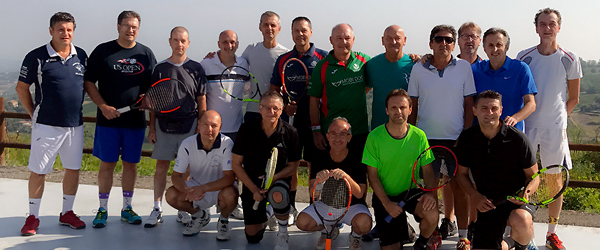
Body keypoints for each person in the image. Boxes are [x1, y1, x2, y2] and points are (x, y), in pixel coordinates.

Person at [17, 12, 88, 236]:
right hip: (46, 125)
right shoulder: (36, 56)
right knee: (39, 171)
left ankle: (67, 213)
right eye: (60, 29)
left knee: (73, 169)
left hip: (74, 126)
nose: (65, 33)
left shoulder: (82, 56)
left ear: (73, 31)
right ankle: (32, 217)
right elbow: (21, 88)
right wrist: (33, 114)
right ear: (51, 31)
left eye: (69, 29)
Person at [516, 8, 582, 250]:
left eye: (551, 23)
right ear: (536, 27)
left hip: (555, 130)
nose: (547, 28)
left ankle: (551, 233)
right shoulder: (524, 56)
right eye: (542, 24)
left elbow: (573, 98)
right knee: (525, 179)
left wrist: (558, 120)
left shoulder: (570, 58)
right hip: (527, 126)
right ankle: (522, 231)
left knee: (555, 181)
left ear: (559, 27)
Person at [84, 10, 156, 228]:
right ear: (118, 26)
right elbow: (89, 82)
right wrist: (103, 106)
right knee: (107, 164)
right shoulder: (103, 51)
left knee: (131, 165)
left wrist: (150, 117)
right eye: (127, 25)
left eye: (134, 26)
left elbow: (152, 90)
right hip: (108, 122)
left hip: (135, 122)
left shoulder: (146, 54)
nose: (130, 30)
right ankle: (103, 209)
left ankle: (127, 208)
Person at [407, 24, 476, 243]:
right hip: (426, 140)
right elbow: (413, 106)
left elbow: (469, 105)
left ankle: (463, 238)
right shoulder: (419, 68)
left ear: (454, 44)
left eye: (448, 40)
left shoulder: (464, 67)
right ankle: (432, 233)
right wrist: (411, 136)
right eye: (438, 39)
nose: (443, 43)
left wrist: (464, 136)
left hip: (456, 138)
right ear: (431, 43)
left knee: (459, 187)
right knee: (430, 189)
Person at [455, 90, 538, 250]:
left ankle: (525, 243)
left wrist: (525, 193)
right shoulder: (467, 138)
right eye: (484, 108)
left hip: (517, 200)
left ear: (501, 111)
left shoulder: (518, 139)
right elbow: (461, 175)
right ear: (475, 111)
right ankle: (511, 242)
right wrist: (475, 196)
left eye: (494, 108)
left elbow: (535, 177)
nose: (489, 113)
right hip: (488, 203)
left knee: (521, 219)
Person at [144, 26, 208, 228]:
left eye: (183, 41)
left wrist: (201, 124)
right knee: (161, 167)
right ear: (170, 41)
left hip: (190, 126)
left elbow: (202, 99)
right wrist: (152, 128)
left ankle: (183, 208)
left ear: (188, 43)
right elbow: (153, 101)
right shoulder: (160, 68)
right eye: (176, 40)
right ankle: (157, 208)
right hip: (164, 126)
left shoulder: (196, 68)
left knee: (185, 172)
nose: (179, 44)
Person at [269, 16, 328, 225]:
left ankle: (315, 205)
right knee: (291, 165)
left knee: (316, 167)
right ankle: (291, 206)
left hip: (316, 125)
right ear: (291, 33)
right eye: (296, 31)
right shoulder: (283, 59)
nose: (300, 34)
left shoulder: (323, 57)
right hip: (289, 124)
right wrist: (284, 105)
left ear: (310, 32)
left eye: (304, 30)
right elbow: (274, 91)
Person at [364, 89, 440, 250]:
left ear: (410, 110)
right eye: (393, 108)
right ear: (386, 110)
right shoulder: (374, 137)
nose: (398, 111)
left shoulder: (419, 136)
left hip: (411, 191)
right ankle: (406, 230)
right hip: (386, 196)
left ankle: (421, 242)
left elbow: (428, 170)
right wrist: (387, 203)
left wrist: (430, 194)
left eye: (403, 107)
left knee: (432, 213)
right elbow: (372, 176)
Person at [231, 90, 301, 250]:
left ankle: (283, 232)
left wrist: (273, 179)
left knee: (279, 194)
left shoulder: (291, 133)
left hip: (278, 182)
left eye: (276, 108)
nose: (271, 112)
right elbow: (236, 164)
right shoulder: (246, 129)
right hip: (252, 185)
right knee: (252, 237)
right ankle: (269, 214)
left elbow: (293, 166)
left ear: (282, 110)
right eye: (267, 108)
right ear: (260, 109)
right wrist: (254, 189)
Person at [296, 117, 372, 250]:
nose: (338, 138)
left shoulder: (358, 158)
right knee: (302, 222)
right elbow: (312, 192)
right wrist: (319, 182)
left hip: (352, 206)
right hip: (325, 205)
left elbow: (360, 193)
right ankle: (329, 229)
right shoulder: (319, 157)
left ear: (349, 138)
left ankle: (355, 235)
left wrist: (346, 177)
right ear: (327, 136)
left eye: (343, 134)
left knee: (365, 224)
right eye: (333, 134)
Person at [164, 110, 238, 240]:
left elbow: (229, 178)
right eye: (206, 125)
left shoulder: (227, 143)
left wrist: (204, 188)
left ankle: (224, 221)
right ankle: (199, 216)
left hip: (220, 187)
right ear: (198, 125)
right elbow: (176, 176)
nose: (209, 129)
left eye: (214, 126)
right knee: (171, 195)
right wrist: (187, 190)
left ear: (220, 127)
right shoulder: (187, 144)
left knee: (231, 194)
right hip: (195, 186)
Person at [307, 23, 371, 154]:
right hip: (331, 133)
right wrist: (316, 130)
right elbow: (313, 100)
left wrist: (413, 58)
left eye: (347, 38)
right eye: (339, 38)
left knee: (357, 174)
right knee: (328, 174)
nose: (344, 42)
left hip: (359, 131)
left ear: (353, 39)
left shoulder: (364, 61)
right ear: (331, 40)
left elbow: (372, 82)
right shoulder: (322, 66)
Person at [241, 11, 289, 123]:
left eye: (273, 25)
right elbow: (234, 64)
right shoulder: (251, 50)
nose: (269, 28)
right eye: (266, 25)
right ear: (260, 27)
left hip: (276, 113)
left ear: (279, 28)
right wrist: (215, 56)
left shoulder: (286, 54)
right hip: (253, 110)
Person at [365, 25, 416, 130]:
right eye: (389, 38)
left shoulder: (414, 65)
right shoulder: (372, 65)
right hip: (379, 128)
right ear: (383, 41)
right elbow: (363, 91)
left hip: (406, 129)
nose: (393, 42)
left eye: (397, 38)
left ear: (404, 40)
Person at [200, 30, 248, 141]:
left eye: (232, 42)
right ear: (218, 44)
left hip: (237, 129)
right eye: (225, 42)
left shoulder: (244, 64)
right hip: (212, 130)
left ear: (237, 45)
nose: (229, 46)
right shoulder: (206, 64)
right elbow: (200, 96)